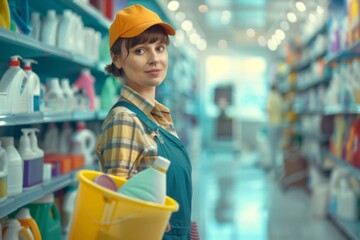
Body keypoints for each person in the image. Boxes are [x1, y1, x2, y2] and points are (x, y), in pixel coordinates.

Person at [95, 4, 193, 240]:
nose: (155, 59)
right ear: (117, 59)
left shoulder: (159, 116)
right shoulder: (124, 120)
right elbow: (117, 215)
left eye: (159, 48)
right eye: (140, 50)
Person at [266, 83, 283, 178]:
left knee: (272, 149)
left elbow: (268, 110)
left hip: (272, 124)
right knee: (278, 148)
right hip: (279, 124)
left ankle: (274, 172)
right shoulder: (279, 98)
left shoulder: (271, 98)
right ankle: (281, 170)